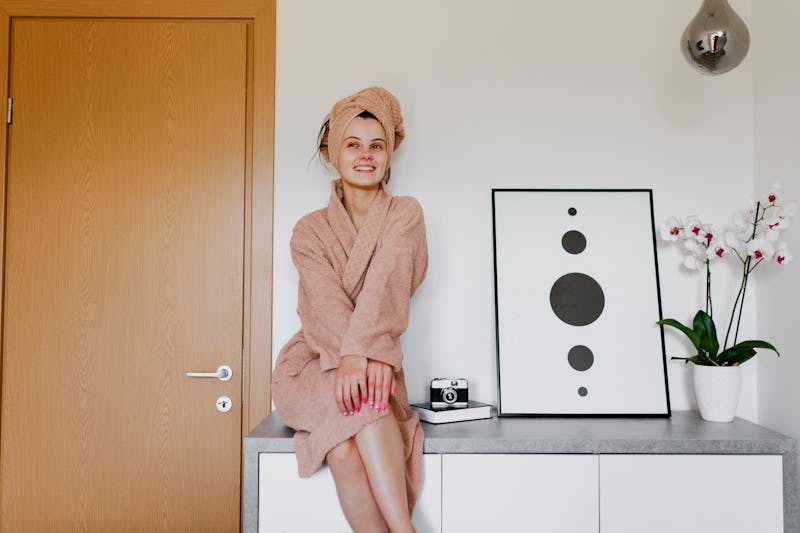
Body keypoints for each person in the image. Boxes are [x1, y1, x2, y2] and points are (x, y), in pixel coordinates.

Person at [272, 86, 428, 533]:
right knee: (366, 401)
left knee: (341, 447)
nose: (366, 156)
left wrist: (369, 352)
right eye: (353, 144)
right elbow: (324, 305)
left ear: (390, 153)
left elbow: (386, 287)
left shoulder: (405, 214)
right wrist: (359, 356)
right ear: (330, 152)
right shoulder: (309, 231)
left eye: (376, 145)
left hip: (367, 360)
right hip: (313, 366)